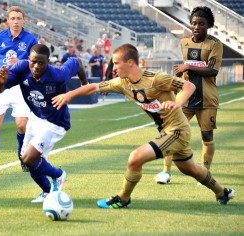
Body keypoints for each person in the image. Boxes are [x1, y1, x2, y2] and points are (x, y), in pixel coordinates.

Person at [52, 43, 235, 208]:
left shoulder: (156, 79)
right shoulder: (122, 83)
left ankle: (123, 198)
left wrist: (177, 103)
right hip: (167, 131)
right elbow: (93, 87)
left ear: (130, 62)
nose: (113, 68)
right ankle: (222, 192)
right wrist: (68, 96)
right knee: (190, 168)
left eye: (116, 63)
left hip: (177, 130)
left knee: (135, 158)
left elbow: (189, 87)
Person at [0, 44, 88, 202]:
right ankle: (49, 192)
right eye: (33, 62)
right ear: (28, 59)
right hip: (36, 118)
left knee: (30, 158)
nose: (36, 66)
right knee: (26, 160)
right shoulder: (21, 68)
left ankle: (58, 175)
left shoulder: (58, 74)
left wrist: (84, 82)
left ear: (48, 62)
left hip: (56, 123)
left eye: (41, 63)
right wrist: (0, 83)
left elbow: (76, 62)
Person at [155, 6, 223, 184]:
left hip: (207, 99)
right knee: (171, 131)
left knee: (207, 137)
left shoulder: (215, 44)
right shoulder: (184, 42)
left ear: (209, 25)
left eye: (201, 23)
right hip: (185, 97)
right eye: (193, 23)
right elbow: (186, 67)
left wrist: (188, 67)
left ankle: (204, 174)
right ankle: (166, 172)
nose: (196, 26)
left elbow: (212, 71)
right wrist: (179, 74)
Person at [0, 6, 38, 176]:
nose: (16, 21)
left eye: (19, 18)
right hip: (2, 83)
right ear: (8, 20)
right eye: (13, 18)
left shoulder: (31, 39)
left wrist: (21, 61)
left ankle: (22, 156)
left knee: (21, 126)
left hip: (21, 85)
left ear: (23, 20)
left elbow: (35, 63)